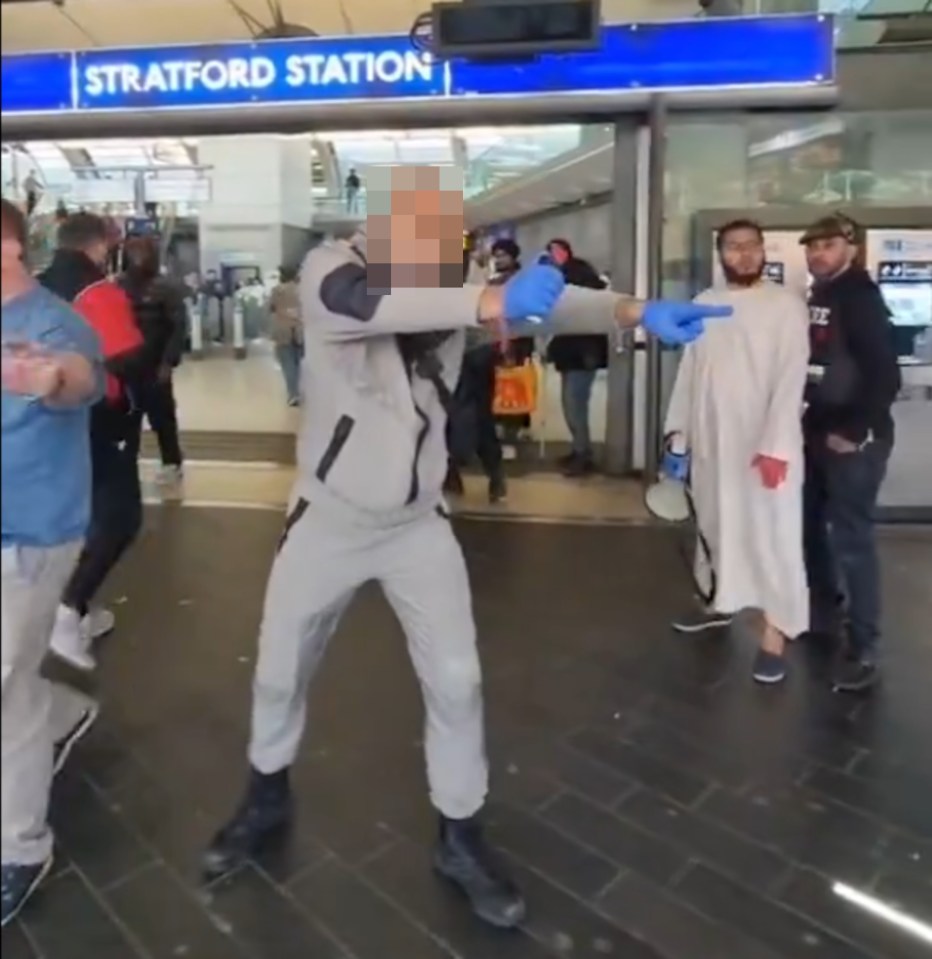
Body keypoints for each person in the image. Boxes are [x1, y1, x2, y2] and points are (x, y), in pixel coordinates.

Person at [200, 212, 731, 928]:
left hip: (418, 523)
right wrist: (490, 301)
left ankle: (460, 831)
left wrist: (633, 310)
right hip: (327, 518)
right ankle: (266, 789)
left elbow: (552, 306)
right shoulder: (334, 270)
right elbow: (370, 303)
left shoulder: (453, 288)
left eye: (442, 251)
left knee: (457, 680)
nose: (434, 265)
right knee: (279, 668)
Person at [1, 199, 104, 926]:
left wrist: (51, 379)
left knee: (3, 683)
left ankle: (21, 845)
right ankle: (61, 707)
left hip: (27, 533)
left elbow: (80, 378)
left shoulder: (53, 324)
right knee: (15, 679)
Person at [664, 219, 811, 684]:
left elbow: (792, 378)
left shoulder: (785, 306)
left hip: (765, 445)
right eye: (734, 247)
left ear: (763, 251)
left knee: (773, 537)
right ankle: (717, 602)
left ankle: (776, 632)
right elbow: (691, 370)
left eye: (752, 247)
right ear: (721, 254)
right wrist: (678, 433)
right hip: (713, 441)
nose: (744, 255)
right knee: (714, 525)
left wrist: (776, 445)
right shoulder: (705, 304)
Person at [38, 213, 147, 673]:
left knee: (74, 516)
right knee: (120, 516)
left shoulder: (36, 287)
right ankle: (67, 610)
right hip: (98, 417)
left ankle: (72, 611)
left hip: (46, 416)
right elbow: (126, 358)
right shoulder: (97, 291)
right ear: (100, 247)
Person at [801, 214, 901, 692]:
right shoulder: (821, 293)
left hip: (851, 440)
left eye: (827, 245)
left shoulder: (859, 296)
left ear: (851, 248)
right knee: (812, 529)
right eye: (812, 246)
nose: (818, 253)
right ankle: (825, 616)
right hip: (817, 433)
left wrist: (855, 429)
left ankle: (864, 647)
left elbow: (885, 374)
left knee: (852, 542)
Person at [118, 234, 187, 481]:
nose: (137, 259)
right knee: (127, 418)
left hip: (156, 364)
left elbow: (178, 327)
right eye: (133, 253)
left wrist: (169, 361)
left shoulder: (166, 288)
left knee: (162, 417)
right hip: (125, 365)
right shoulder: (119, 286)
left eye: (142, 253)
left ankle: (172, 462)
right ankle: (127, 461)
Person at [544, 238, 609, 476]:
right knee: (571, 404)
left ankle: (583, 454)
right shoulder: (578, 286)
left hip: (581, 355)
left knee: (574, 405)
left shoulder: (578, 288)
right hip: (573, 354)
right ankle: (579, 449)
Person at [269, 266, 304, 407]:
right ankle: (301, 391)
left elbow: (270, 308)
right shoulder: (303, 290)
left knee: (287, 363)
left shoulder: (277, 291)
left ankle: (293, 394)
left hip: (283, 331)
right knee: (300, 362)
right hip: (301, 330)